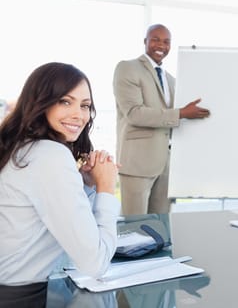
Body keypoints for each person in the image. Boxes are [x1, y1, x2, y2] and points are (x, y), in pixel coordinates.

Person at [0, 62, 120, 286]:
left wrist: (87, 184)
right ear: (41, 103)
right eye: (65, 101)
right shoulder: (50, 155)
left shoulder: (21, 147)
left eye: (85, 105)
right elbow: (96, 263)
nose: (79, 115)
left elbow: (63, 224)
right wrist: (106, 188)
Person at [113, 24, 210, 215]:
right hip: (137, 164)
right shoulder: (127, 68)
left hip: (166, 164)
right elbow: (134, 113)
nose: (161, 45)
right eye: (156, 39)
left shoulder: (171, 80)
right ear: (145, 42)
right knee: (135, 225)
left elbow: (177, 119)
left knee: (161, 223)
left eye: (166, 42)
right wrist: (181, 113)